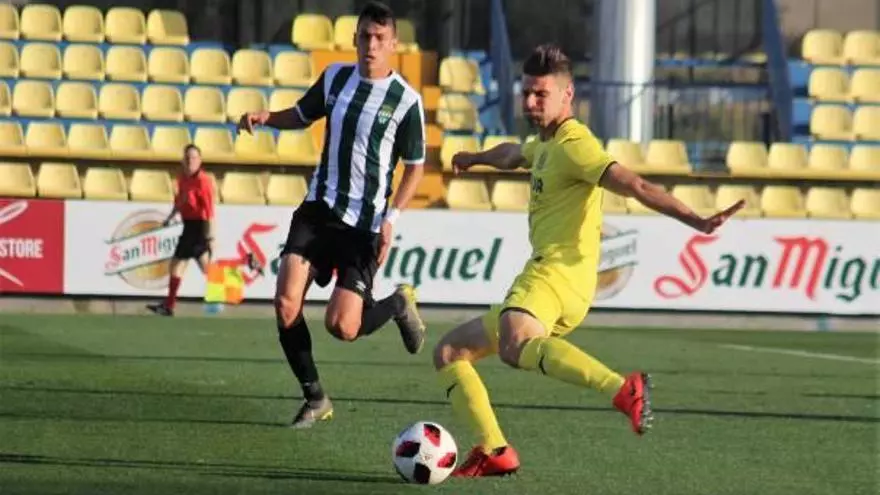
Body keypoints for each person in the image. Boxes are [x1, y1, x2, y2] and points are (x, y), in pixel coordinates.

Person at [432, 44, 745, 477]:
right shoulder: (546, 144)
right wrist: (476, 158)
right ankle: (494, 448)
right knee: (451, 352)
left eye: (541, 94)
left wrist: (696, 220)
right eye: (526, 93)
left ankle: (622, 388)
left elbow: (634, 185)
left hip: (556, 274)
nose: (530, 102)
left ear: (568, 95)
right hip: (561, 281)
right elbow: (514, 154)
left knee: (514, 343)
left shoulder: (576, 145)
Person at [237, 1, 428, 429]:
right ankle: (315, 397)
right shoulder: (335, 78)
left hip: (364, 226)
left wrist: (392, 218)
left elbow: (415, 167)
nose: (371, 45)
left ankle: (397, 303)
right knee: (286, 303)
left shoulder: (406, 101)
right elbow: (302, 115)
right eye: (365, 36)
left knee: (342, 327)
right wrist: (267, 117)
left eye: (379, 38)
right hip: (318, 211)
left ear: (393, 44)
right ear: (354, 39)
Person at [148, 144, 216, 317]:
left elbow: (209, 211)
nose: (190, 161)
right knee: (185, 265)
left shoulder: (203, 181)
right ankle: (169, 305)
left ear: (200, 160)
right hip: (188, 226)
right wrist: (170, 218)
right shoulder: (183, 179)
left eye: (193, 157)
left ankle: (170, 305)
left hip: (199, 226)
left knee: (190, 265)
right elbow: (181, 201)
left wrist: (210, 237)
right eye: (187, 158)